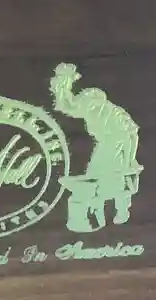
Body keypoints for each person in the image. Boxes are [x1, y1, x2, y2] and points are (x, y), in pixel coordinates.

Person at [50, 63, 141, 229]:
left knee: (118, 181)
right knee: (94, 177)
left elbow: (131, 136)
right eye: (86, 106)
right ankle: (97, 213)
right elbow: (68, 106)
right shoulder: (89, 109)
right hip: (104, 146)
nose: (87, 110)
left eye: (91, 106)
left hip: (119, 148)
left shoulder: (115, 114)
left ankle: (121, 211)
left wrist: (130, 159)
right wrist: (63, 85)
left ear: (100, 104)